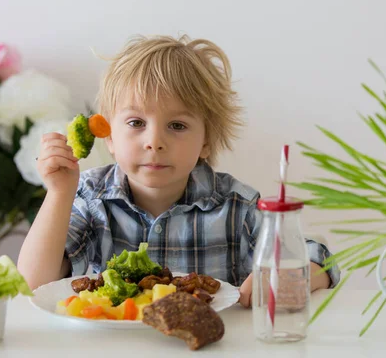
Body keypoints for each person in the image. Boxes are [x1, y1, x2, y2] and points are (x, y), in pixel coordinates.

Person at [17, 35, 340, 307]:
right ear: (108, 134)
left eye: (177, 125)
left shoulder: (236, 206)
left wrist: (288, 277)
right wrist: (59, 193)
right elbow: (33, 283)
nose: (154, 142)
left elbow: (320, 259)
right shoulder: (89, 197)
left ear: (206, 142)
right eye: (136, 123)